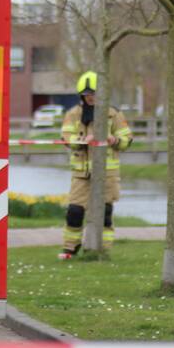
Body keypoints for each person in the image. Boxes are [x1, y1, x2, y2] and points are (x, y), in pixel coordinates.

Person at [58, 71, 133, 259]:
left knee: (105, 213)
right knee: (74, 211)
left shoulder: (113, 114)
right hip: (81, 173)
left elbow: (127, 140)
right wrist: (83, 140)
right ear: (81, 95)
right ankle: (70, 248)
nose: (91, 98)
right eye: (88, 95)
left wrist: (114, 139)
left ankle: (103, 250)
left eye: (95, 94)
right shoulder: (73, 115)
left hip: (107, 172)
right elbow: (66, 138)